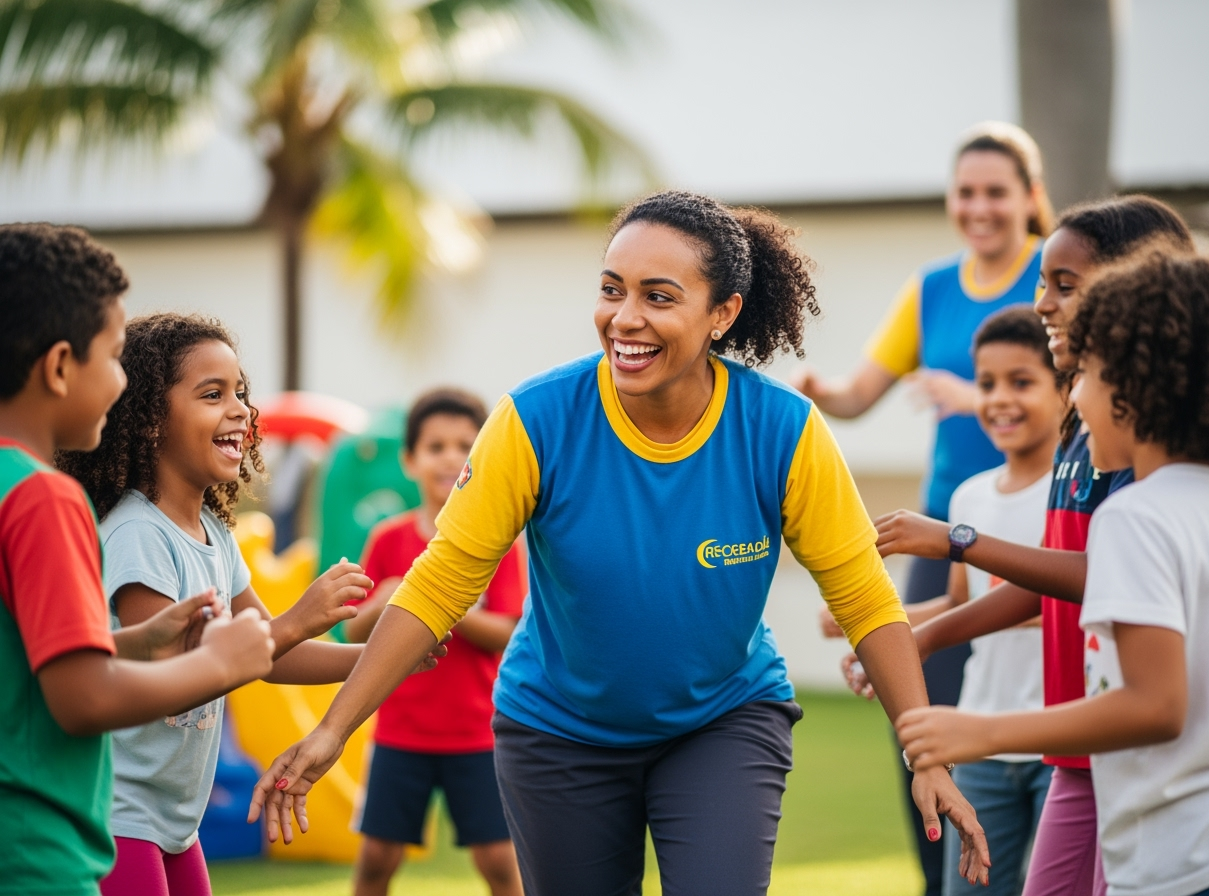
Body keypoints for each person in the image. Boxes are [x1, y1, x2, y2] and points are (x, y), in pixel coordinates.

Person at [248, 190, 991, 895]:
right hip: (556, 730)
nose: (624, 319)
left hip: (722, 720)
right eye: (612, 290)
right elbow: (442, 582)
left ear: (722, 313)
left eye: (658, 297)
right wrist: (334, 730)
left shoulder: (783, 433)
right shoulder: (535, 420)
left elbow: (863, 597)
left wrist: (922, 750)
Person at [898, 249, 1209, 896]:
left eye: (1086, 374)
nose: (1073, 393)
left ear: (1135, 388)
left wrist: (982, 730)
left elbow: (1155, 706)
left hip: (1194, 860)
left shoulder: (1135, 518)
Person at [866, 195, 1195, 896]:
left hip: (1117, 750)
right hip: (1071, 753)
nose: (1044, 302)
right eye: (1044, 283)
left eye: (1064, 286)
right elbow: (1056, 576)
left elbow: (1099, 576)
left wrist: (958, 543)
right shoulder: (1088, 431)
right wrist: (923, 636)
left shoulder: (1146, 442)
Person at [58, 312, 445, 896]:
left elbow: (271, 656)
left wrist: (382, 653)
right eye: (213, 394)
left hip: (176, 823)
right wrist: (300, 619)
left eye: (240, 392)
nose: (240, 408)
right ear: (150, 423)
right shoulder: (138, 534)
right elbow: (174, 667)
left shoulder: (215, 532)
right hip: (119, 815)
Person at [793, 121, 1052, 893]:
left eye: (996, 192)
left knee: (1023, 711)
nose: (979, 207)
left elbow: (1076, 387)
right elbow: (860, 393)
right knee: (922, 726)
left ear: (1030, 198)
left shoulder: (1056, 272)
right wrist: (818, 394)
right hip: (946, 529)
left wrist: (973, 399)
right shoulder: (932, 286)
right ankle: (942, 878)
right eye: (965, 192)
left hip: (1035, 524)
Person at [0, 224, 276, 896]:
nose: (123, 383)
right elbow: (81, 699)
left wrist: (128, 642)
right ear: (61, 365)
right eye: (115, 357)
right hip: (42, 851)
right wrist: (216, 662)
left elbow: (29, 664)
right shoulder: (44, 500)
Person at [837, 305, 1062, 895]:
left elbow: (1053, 596)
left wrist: (923, 625)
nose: (998, 400)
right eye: (986, 384)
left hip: (1056, 741)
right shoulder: (968, 496)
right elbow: (969, 605)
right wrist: (876, 624)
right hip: (980, 737)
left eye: (1021, 382)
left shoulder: (1071, 487)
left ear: (1065, 386)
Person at [344, 388, 526, 896]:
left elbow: (510, 632)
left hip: (477, 734)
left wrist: (447, 602)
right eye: (435, 446)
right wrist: (389, 598)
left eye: (465, 445)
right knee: (377, 859)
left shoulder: (499, 541)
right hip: (400, 733)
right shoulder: (387, 539)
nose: (450, 457)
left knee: (499, 862)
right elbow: (354, 631)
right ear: (409, 460)